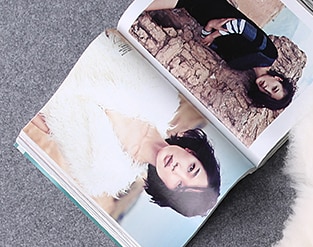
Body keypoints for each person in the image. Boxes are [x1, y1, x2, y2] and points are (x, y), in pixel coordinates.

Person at [36, 31, 220, 217]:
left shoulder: (103, 174)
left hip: (36, 73)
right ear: (191, 153)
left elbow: (50, 125)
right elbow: (116, 42)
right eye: (191, 168)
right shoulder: (162, 97)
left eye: (179, 185)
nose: (177, 169)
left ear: (168, 191)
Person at [147, 0, 296, 110]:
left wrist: (209, 27)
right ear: (278, 79)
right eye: (274, 88)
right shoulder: (268, 54)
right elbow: (241, 26)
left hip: (191, 6)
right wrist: (214, 33)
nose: (266, 88)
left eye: (267, 94)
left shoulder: (238, 65)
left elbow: (210, 43)